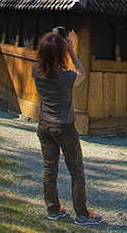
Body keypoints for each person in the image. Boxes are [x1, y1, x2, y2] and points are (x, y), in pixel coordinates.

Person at [32, 27, 103, 226]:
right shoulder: (66, 78)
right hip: (64, 127)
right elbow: (82, 73)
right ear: (60, 55)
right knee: (76, 171)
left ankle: (53, 209)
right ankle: (82, 213)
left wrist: (53, 39)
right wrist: (71, 49)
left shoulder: (35, 71)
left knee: (50, 170)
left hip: (44, 126)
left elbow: (45, 59)